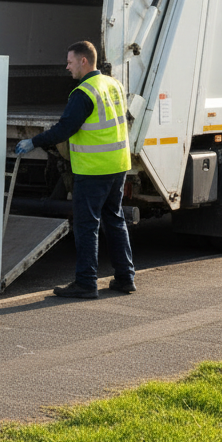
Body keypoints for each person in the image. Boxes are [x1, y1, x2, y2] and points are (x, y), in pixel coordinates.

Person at [15, 40, 136, 299]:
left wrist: (33, 141)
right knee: (114, 220)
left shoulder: (84, 92)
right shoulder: (113, 84)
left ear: (83, 61)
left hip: (93, 170)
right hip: (118, 165)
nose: (67, 66)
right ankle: (125, 277)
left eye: (70, 61)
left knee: (86, 226)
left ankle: (86, 282)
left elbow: (64, 129)